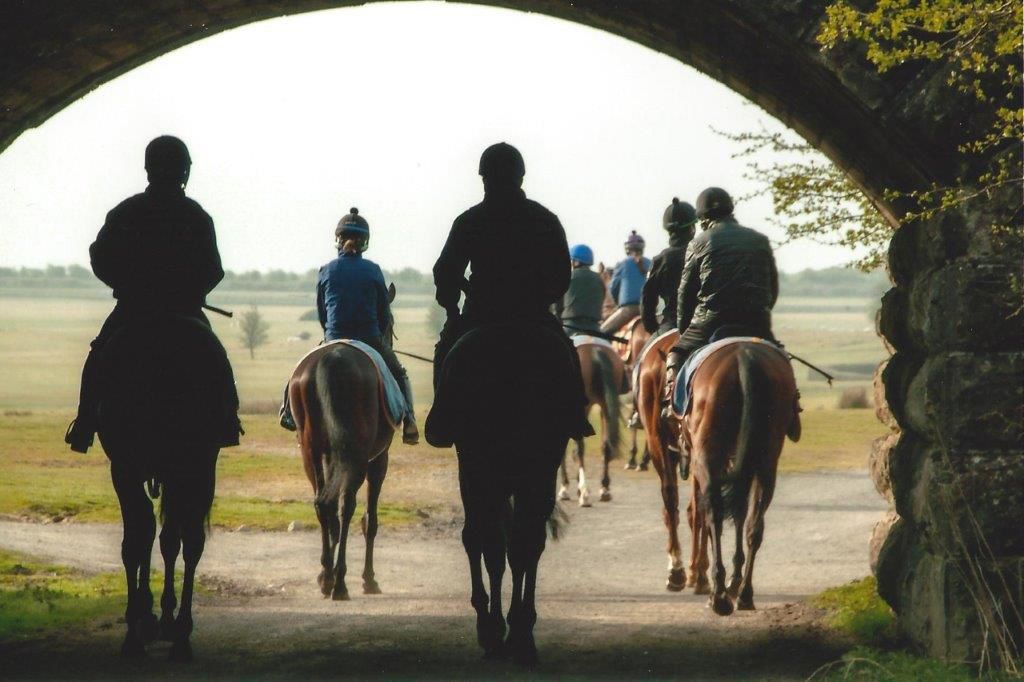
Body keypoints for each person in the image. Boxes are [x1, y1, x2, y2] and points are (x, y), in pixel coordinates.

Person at [64, 135, 240, 453]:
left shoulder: (126, 212)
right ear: (185, 171)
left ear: (149, 169)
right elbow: (214, 269)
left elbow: (99, 257)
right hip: (185, 311)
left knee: (98, 357)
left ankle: (84, 425)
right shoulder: (196, 216)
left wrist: (126, 285)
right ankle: (228, 422)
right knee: (217, 358)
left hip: (133, 310)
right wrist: (191, 292)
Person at [430, 142, 591, 439]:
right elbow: (560, 278)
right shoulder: (545, 220)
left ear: (484, 178)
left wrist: (453, 309)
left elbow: (445, 272)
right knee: (565, 353)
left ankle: (441, 419)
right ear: (520, 177)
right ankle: (575, 417)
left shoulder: (469, 221)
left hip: (480, 315)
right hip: (534, 316)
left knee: (446, 351)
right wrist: (538, 298)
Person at [279, 208, 420, 445]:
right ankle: (410, 422)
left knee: (300, 370)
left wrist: (330, 333)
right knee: (399, 373)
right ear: (365, 243)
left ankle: (288, 413)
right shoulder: (373, 270)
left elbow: (322, 312)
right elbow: (384, 313)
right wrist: (381, 338)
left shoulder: (326, 270)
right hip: (370, 338)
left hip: (334, 336)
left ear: (338, 240)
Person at [665, 186, 779, 399]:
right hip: (756, 321)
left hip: (710, 322)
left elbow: (685, 294)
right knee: (780, 355)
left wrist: (684, 333)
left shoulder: (698, 242)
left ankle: (671, 405)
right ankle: (793, 405)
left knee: (675, 354)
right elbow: (772, 288)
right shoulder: (760, 239)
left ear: (703, 219)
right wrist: (761, 314)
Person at [641, 198, 697, 335]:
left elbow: (647, 302)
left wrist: (653, 329)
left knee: (640, 357)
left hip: (671, 324)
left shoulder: (660, 260)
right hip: (703, 325)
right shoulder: (704, 254)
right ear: (693, 228)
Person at [600, 231, 651, 335]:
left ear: (627, 248)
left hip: (628, 310)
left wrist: (617, 303)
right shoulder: (650, 263)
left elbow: (613, 288)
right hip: (649, 310)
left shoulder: (623, 264)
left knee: (601, 332)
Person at [554, 244, 606, 336]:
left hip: (571, 326)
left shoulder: (567, 277)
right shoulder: (599, 279)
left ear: (576, 262)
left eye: (572, 260)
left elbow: (558, 306)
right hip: (594, 328)